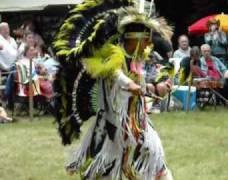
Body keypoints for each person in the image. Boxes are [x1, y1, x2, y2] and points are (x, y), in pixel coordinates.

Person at [53, 0, 173, 179]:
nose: (149, 43)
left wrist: (158, 88)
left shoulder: (137, 58)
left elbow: (143, 84)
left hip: (137, 121)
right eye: (146, 38)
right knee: (106, 169)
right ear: (134, 37)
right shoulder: (112, 55)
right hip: (112, 124)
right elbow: (116, 76)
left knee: (153, 152)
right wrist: (130, 85)